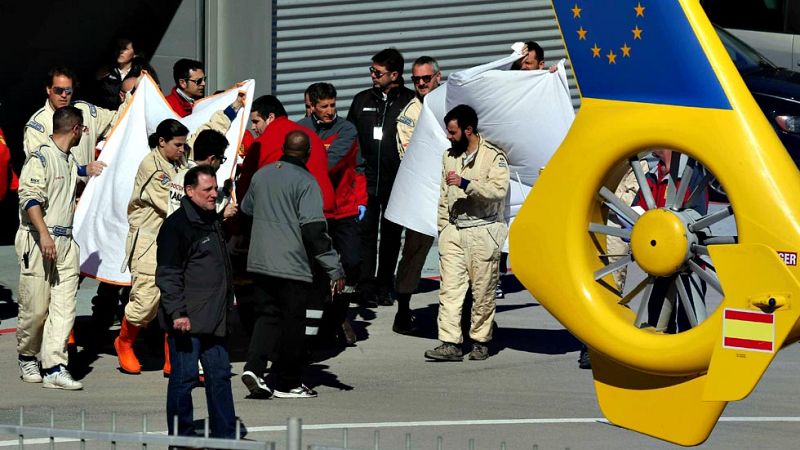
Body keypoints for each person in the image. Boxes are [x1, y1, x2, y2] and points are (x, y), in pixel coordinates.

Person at [240, 130, 345, 399]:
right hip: (292, 264)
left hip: (260, 260)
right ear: (308, 153)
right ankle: (287, 382)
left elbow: (246, 209)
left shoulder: (261, 175)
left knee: (266, 316)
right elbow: (314, 231)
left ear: (284, 149)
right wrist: (334, 268)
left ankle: (254, 367)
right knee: (293, 323)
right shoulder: (306, 181)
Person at [16, 106, 106, 389]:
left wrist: (86, 169)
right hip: (39, 239)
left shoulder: (67, 159)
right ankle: (27, 355)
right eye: (84, 130)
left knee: (64, 307)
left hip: (67, 242)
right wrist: (43, 235)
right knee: (36, 307)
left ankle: (55, 366)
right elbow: (29, 198)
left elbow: (69, 171)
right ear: (76, 129)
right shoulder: (39, 157)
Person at [156, 165, 237, 438]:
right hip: (186, 322)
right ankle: (182, 439)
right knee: (183, 380)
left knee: (220, 379)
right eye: (208, 190)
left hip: (214, 320)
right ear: (190, 192)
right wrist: (178, 313)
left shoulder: (211, 220)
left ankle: (225, 438)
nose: (215, 194)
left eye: (215, 188)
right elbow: (168, 274)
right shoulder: (177, 227)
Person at [425, 105, 509, 362]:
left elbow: (498, 192)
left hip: (483, 230)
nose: (449, 137)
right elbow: (443, 196)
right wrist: (444, 229)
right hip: (454, 231)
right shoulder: (448, 156)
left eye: (453, 132)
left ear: (468, 130)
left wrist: (466, 184)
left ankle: (481, 340)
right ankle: (449, 342)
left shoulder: (494, 157)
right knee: (449, 290)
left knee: (483, 290)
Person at [298, 82, 366, 344]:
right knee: (316, 269)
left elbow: (334, 163)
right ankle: (319, 324)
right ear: (312, 107)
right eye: (323, 106)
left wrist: (362, 200)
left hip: (344, 209)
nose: (329, 111)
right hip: (315, 210)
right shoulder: (301, 129)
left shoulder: (346, 130)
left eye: (332, 105)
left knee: (351, 263)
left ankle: (338, 316)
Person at [347, 48, 415, 306]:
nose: (373, 75)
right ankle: (365, 285)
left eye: (378, 72)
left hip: (397, 181)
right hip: (366, 179)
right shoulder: (362, 99)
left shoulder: (410, 101)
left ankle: (385, 284)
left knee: (390, 235)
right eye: (371, 70)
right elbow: (350, 138)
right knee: (365, 233)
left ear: (394, 75)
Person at [392, 56, 442, 334]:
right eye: (416, 79)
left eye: (426, 78)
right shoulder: (409, 114)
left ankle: (464, 311)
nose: (421, 83)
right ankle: (403, 308)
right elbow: (409, 154)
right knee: (413, 253)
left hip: (454, 192)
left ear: (438, 76)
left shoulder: (453, 102)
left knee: (460, 255)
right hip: (422, 193)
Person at [236, 95, 334, 216]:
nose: (253, 127)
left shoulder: (261, 143)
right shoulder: (312, 135)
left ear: (270, 117)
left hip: (290, 216)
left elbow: (245, 185)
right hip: (324, 210)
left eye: (256, 122)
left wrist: (237, 228)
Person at [24, 66, 129, 170]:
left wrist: (131, 96)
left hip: (87, 186)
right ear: (48, 89)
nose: (64, 95)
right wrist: (83, 170)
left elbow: (119, 120)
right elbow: (39, 167)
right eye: (58, 90)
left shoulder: (86, 111)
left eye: (68, 90)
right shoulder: (38, 125)